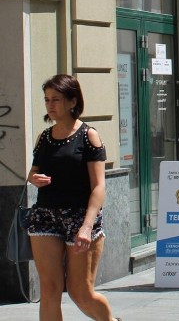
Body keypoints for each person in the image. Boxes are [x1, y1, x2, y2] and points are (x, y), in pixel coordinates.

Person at [26, 75, 118, 321]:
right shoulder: (44, 138)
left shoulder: (89, 136)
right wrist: (33, 179)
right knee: (49, 289)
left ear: (72, 101)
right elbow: (33, 173)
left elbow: (99, 186)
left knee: (81, 293)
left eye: (56, 99)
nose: (50, 105)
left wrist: (87, 226)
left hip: (80, 217)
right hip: (45, 215)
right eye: (47, 100)